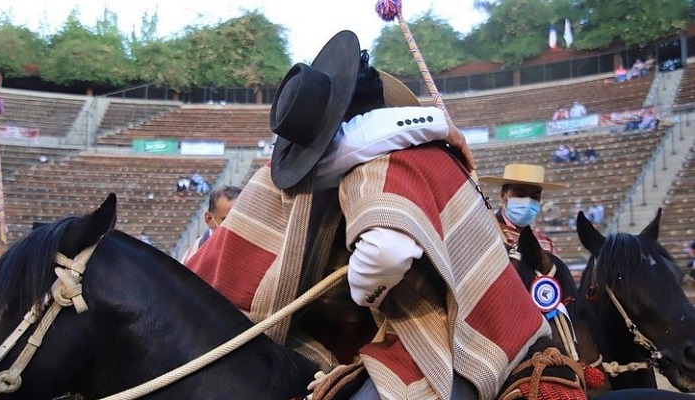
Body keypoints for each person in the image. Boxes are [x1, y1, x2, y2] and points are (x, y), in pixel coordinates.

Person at [185, 31, 583, 400]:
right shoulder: (418, 148)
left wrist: (361, 287)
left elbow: (386, 255)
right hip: (502, 317)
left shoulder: (377, 167)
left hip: (460, 344)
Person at [481, 164, 566, 256]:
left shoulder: (546, 243)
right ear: (503, 195)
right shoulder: (486, 234)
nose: (528, 202)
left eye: (534, 197)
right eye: (520, 195)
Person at [180, 185, 241, 262]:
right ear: (209, 219)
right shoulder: (193, 257)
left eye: (239, 220)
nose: (234, 226)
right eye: (226, 220)